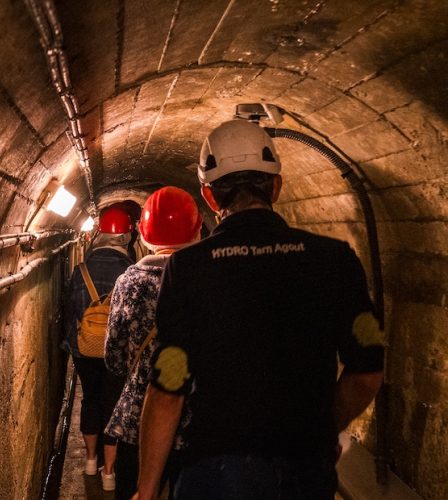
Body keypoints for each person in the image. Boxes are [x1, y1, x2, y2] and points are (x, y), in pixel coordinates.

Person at [135, 119, 385, 499]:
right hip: (305, 468)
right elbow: (366, 375)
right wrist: (320, 429)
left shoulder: (188, 269)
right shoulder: (334, 259)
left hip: (217, 471)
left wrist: (147, 490)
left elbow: (168, 390)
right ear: (277, 186)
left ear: (210, 196)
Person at [104, 187, 202, 500]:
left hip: (139, 421)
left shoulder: (129, 282)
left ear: (144, 236)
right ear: (198, 230)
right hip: (197, 422)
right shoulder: (210, 278)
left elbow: (114, 358)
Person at [63, 204, 135, 490]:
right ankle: (109, 473)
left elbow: (70, 312)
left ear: (99, 234)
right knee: (115, 405)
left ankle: (90, 461)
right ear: (128, 237)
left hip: (84, 350)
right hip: (117, 353)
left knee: (90, 399)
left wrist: (73, 345)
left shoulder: (80, 270)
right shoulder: (131, 272)